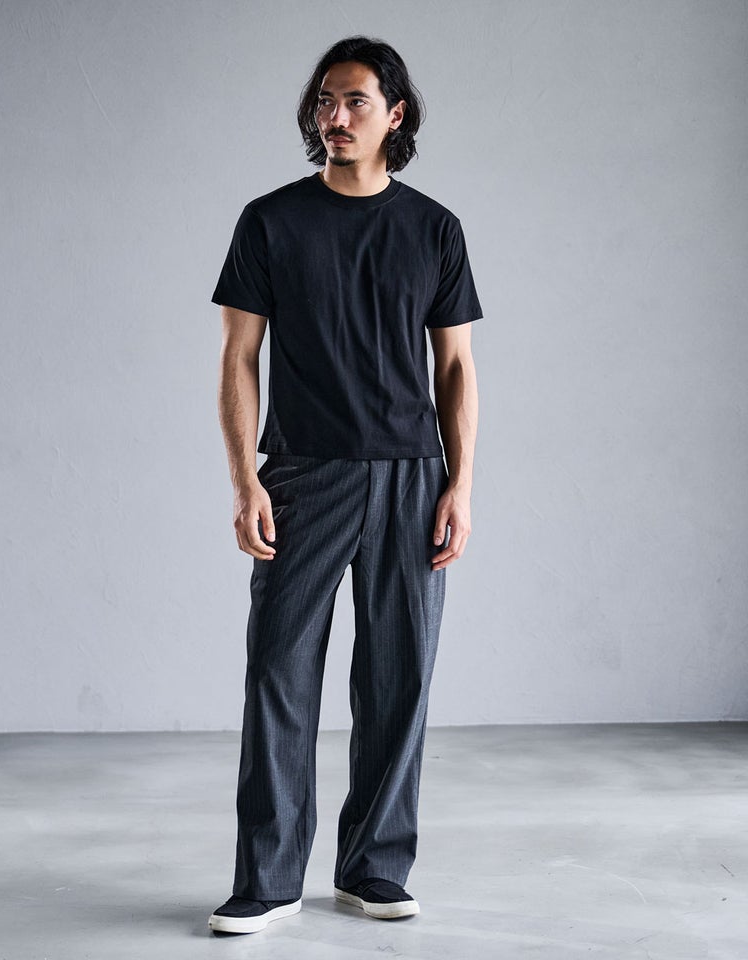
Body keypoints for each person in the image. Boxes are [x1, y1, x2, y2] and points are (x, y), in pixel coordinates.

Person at [207, 34, 482, 935]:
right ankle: (268, 878)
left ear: (394, 114)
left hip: (411, 476)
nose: (335, 116)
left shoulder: (434, 229)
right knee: (278, 671)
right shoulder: (271, 222)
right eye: (325, 100)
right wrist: (244, 481)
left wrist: (460, 486)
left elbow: (456, 369)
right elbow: (238, 358)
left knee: (400, 677)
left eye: (356, 100)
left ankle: (374, 868)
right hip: (303, 473)